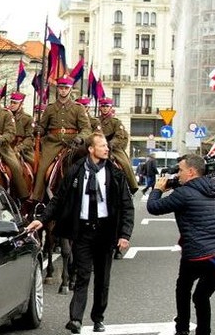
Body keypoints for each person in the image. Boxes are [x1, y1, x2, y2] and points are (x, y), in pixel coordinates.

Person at [26, 133, 134, 334]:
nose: (106, 149)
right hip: (83, 231)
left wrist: (124, 234)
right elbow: (58, 199)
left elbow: (127, 207)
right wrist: (41, 220)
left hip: (106, 232)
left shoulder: (115, 174)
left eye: (106, 146)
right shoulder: (76, 171)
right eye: (102, 146)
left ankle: (98, 318)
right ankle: (75, 319)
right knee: (82, 275)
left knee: (102, 279)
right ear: (91, 149)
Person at [146, 154, 215, 335]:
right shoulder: (211, 188)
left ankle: (182, 329)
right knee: (201, 297)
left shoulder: (184, 194)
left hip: (197, 253)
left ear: (191, 172)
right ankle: (204, 332)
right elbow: (188, 187)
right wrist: (173, 182)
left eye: (180, 170)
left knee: (183, 288)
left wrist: (158, 188)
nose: (178, 174)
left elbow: (153, 207)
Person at [32, 76, 92, 202]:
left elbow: (86, 129)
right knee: (42, 168)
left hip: (73, 143)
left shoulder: (78, 108)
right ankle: (37, 199)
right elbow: (43, 127)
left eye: (66, 88)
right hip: (53, 143)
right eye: (61, 88)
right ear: (58, 89)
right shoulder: (50, 108)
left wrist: (80, 138)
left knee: (87, 165)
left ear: (70, 90)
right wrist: (38, 130)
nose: (63, 91)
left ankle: (91, 195)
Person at [97, 98, 138, 194]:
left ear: (111, 108)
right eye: (103, 106)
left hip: (113, 148)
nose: (105, 108)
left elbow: (120, 135)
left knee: (124, 163)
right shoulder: (95, 120)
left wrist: (110, 144)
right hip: (97, 146)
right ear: (100, 107)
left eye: (107, 106)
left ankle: (131, 186)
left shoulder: (116, 122)